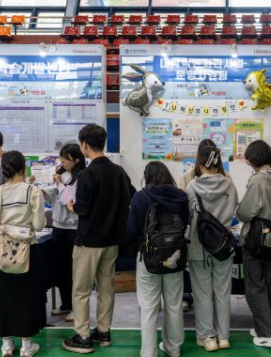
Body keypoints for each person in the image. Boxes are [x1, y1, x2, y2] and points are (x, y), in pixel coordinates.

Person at [62, 124, 133, 353]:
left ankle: (82, 336)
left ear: (84, 145)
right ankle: (103, 332)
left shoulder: (87, 174)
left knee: (81, 290)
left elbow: (83, 208)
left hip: (89, 241)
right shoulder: (119, 171)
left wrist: (72, 207)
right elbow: (132, 196)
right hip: (112, 240)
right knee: (105, 288)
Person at [0, 151, 46, 357]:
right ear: (23, 168)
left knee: (3, 295)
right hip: (27, 249)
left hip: (2, 250)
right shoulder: (32, 191)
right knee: (26, 296)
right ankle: (27, 346)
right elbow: (38, 224)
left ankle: (6, 344)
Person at [127, 161, 189, 357]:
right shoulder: (181, 196)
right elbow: (185, 224)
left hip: (148, 257)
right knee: (174, 304)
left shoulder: (140, 197)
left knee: (148, 308)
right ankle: (173, 347)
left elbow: (132, 230)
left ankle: (149, 352)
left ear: (147, 176)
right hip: (175, 256)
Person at [186, 146, 238, 352]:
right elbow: (234, 211)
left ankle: (207, 337)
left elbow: (189, 216)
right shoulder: (229, 185)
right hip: (224, 246)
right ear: (219, 163)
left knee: (202, 294)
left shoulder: (191, 187)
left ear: (199, 163)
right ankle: (224, 337)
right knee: (223, 293)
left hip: (199, 247)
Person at [236, 140, 271, 348]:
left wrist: (238, 211)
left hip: (257, 239)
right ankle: (268, 327)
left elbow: (246, 211)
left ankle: (267, 333)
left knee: (255, 287)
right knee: (269, 284)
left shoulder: (258, 180)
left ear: (252, 159)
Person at [42, 143, 86, 322]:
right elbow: (53, 198)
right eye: (61, 158)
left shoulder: (82, 177)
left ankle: (77, 308)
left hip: (74, 229)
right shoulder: (60, 175)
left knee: (75, 271)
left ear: (76, 160)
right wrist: (41, 190)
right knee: (61, 269)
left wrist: (59, 185)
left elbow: (69, 200)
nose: (62, 162)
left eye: (65, 159)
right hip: (58, 227)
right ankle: (66, 303)